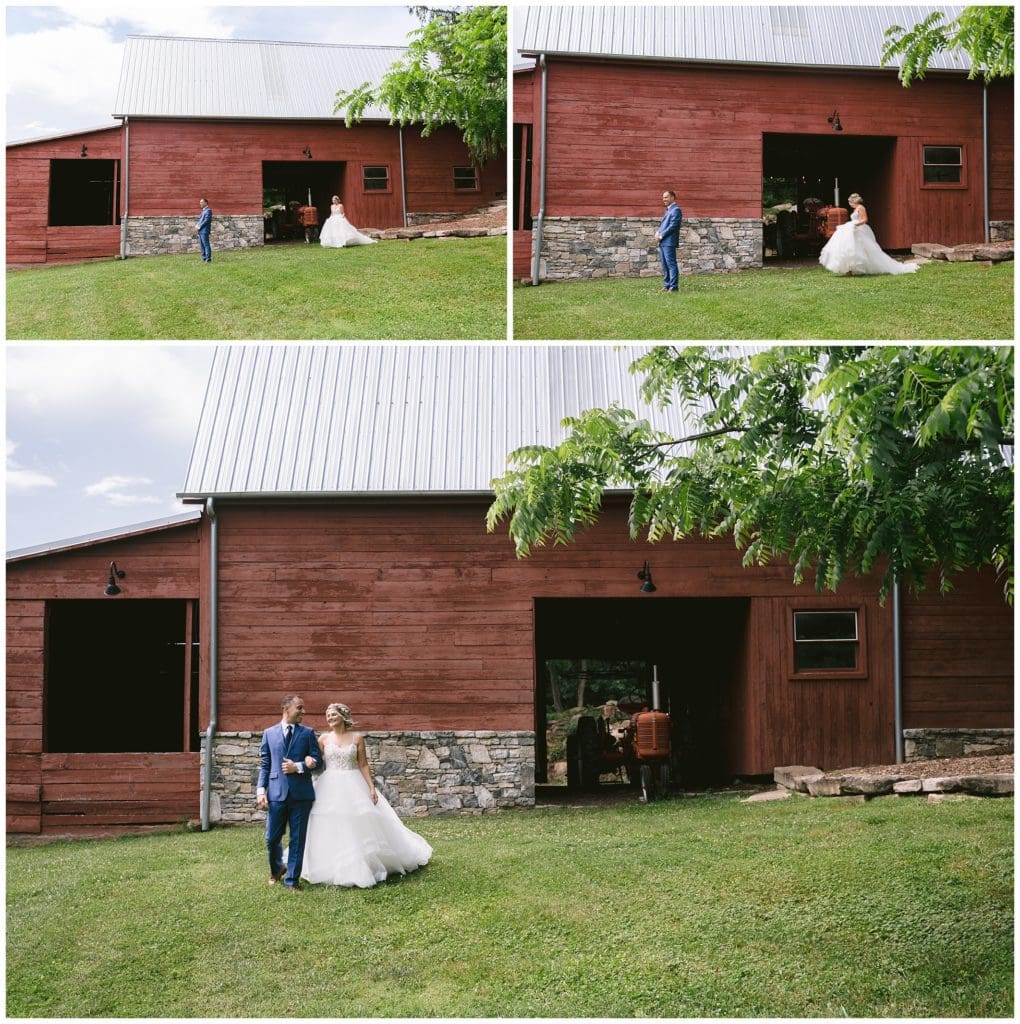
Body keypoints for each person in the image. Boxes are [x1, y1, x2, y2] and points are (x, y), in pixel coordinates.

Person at [299, 702, 431, 888]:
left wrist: (371, 787)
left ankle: (364, 862)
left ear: (343, 716)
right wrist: (308, 760)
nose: (329, 718)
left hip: (354, 783)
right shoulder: (323, 739)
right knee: (331, 821)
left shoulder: (357, 738)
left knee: (359, 821)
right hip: (329, 784)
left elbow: (363, 765)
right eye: (327, 715)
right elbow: (316, 762)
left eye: (333, 714)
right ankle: (332, 863)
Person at [257, 694, 323, 891]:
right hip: (276, 794)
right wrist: (261, 791)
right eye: (300, 708)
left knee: (298, 838)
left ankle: (292, 881)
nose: (303, 711)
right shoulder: (269, 733)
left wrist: (300, 766)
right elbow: (265, 765)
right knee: (271, 838)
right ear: (286, 708)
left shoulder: (308, 733)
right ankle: (277, 869)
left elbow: (318, 762)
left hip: (301, 795)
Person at [819, 193, 918, 276]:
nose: (850, 204)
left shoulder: (861, 208)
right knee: (852, 249)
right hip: (854, 230)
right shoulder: (856, 208)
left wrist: (854, 224)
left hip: (860, 230)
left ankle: (857, 268)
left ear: (854, 201)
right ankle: (850, 269)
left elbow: (865, 220)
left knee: (863, 249)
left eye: (850, 202)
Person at [655, 190, 683, 292]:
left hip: (669, 242)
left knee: (671, 264)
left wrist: (661, 235)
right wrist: (658, 233)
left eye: (666, 197)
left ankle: (674, 287)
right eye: (663, 197)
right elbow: (664, 225)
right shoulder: (668, 210)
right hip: (663, 241)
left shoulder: (676, 210)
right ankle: (666, 285)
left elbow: (673, 226)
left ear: (672, 198)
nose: (664, 199)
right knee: (665, 265)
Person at [196, 198, 212, 263]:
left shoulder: (208, 210)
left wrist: (199, 226)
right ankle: (204, 258)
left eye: (202, 202)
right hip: (200, 230)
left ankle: (208, 259)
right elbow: (201, 220)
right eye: (200, 202)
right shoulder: (203, 211)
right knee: (202, 245)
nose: (200, 203)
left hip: (204, 230)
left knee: (206, 244)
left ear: (206, 203)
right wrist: (197, 225)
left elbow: (206, 220)